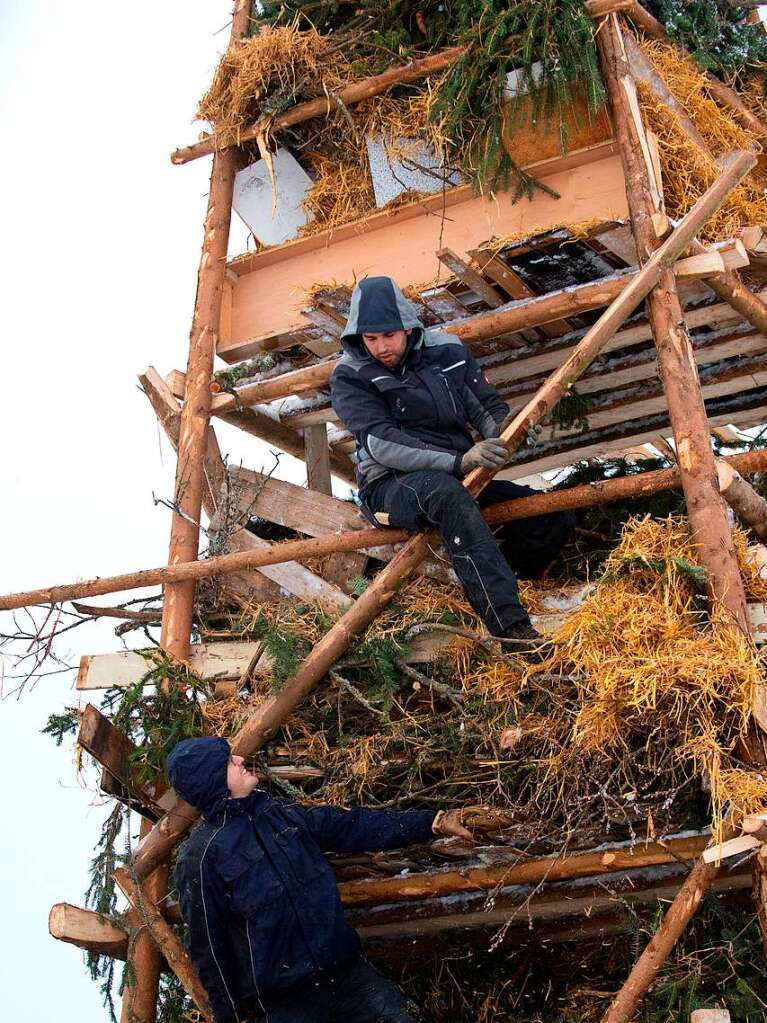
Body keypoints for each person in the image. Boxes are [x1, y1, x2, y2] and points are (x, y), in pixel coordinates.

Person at [330, 276, 575, 649]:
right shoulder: (350, 375)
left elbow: (484, 406)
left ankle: (517, 583)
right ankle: (512, 630)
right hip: (392, 486)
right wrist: (461, 461)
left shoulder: (447, 351)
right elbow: (382, 444)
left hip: (459, 477)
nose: (381, 347)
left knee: (551, 515)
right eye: (371, 339)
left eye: (389, 336)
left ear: (408, 327)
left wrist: (506, 428)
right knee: (446, 495)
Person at [168, 735, 471, 1023]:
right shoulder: (201, 858)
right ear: (212, 781)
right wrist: (231, 1015)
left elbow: (351, 826)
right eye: (227, 761)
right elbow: (207, 945)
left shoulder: (280, 815)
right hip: (287, 1004)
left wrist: (432, 822)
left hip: (348, 976)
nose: (239, 758)